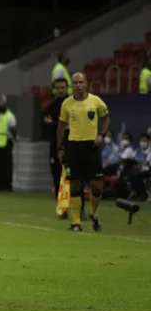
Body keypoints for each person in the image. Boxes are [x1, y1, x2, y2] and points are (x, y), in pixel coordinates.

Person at [57, 72, 110, 232]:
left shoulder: (96, 101)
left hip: (91, 147)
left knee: (97, 187)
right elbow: (60, 126)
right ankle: (76, 222)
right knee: (75, 185)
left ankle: (93, 213)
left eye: (81, 82)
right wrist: (59, 148)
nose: (79, 85)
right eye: (76, 83)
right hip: (73, 146)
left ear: (86, 83)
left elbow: (106, 118)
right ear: (73, 85)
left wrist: (101, 135)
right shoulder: (66, 104)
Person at [43, 77, 86, 220]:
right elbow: (46, 127)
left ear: (67, 88)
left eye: (63, 87)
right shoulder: (49, 108)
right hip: (55, 147)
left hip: (73, 145)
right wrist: (61, 126)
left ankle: (80, 209)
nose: (60, 90)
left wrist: (56, 124)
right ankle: (62, 209)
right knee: (57, 178)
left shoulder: (75, 105)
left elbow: (77, 125)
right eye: (58, 88)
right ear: (54, 90)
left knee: (77, 177)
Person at [0, 98, 18, 191]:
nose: (0, 107)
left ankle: (7, 185)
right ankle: (0, 184)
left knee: (7, 165)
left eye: (2, 105)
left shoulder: (9, 116)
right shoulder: (0, 116)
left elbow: (14, 128)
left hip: (7, 142)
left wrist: (14, 138)